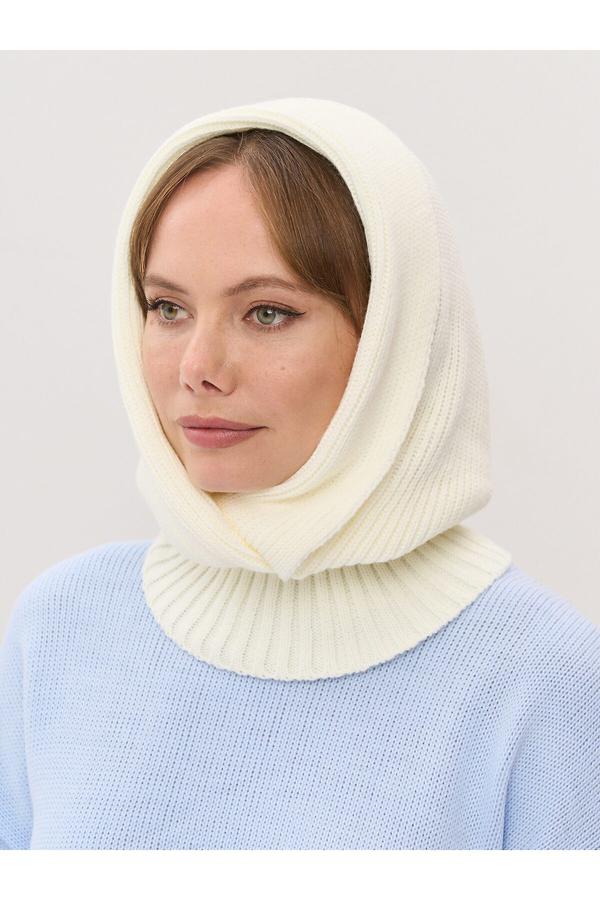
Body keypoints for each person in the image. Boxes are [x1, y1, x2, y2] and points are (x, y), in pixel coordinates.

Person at [1, 97, 599, 850]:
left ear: (391, 337)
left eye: (267, 313)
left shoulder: (542, 677)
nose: (197, 369)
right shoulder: (61, 628)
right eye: (167, 307)